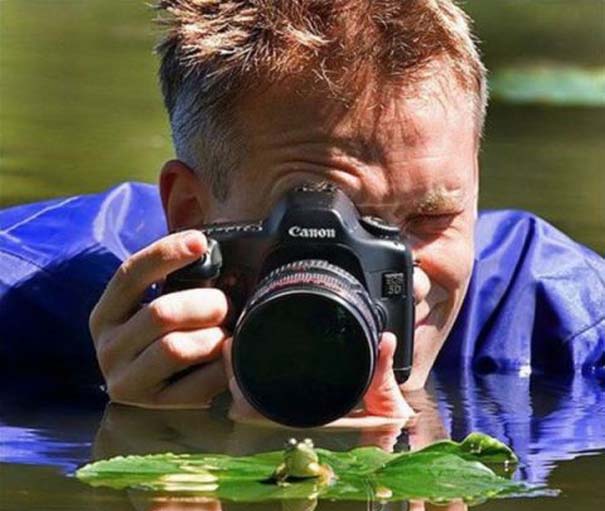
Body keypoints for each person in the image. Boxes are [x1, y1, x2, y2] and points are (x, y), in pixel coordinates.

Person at [0, 0, 603, 428]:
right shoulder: (22, 304)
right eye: (329, 222)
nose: (409, 276)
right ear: (191, 214)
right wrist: (141, 433)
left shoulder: (568, 330)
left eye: (431, 218)